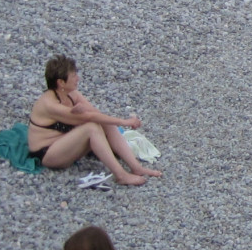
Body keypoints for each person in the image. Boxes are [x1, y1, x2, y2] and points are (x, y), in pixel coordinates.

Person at [28, 54, 161, 186]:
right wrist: (125, 122)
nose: (77, 78)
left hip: (66, 144)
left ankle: (136, 167)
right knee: (92, 128)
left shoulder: (71, 94)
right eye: (73, 76)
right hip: (48, 153)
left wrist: (109, 120)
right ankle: (121, 176)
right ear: (61, 82)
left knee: (104, 123)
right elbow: (88, 117)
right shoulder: (49, 104)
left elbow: (96, 114)